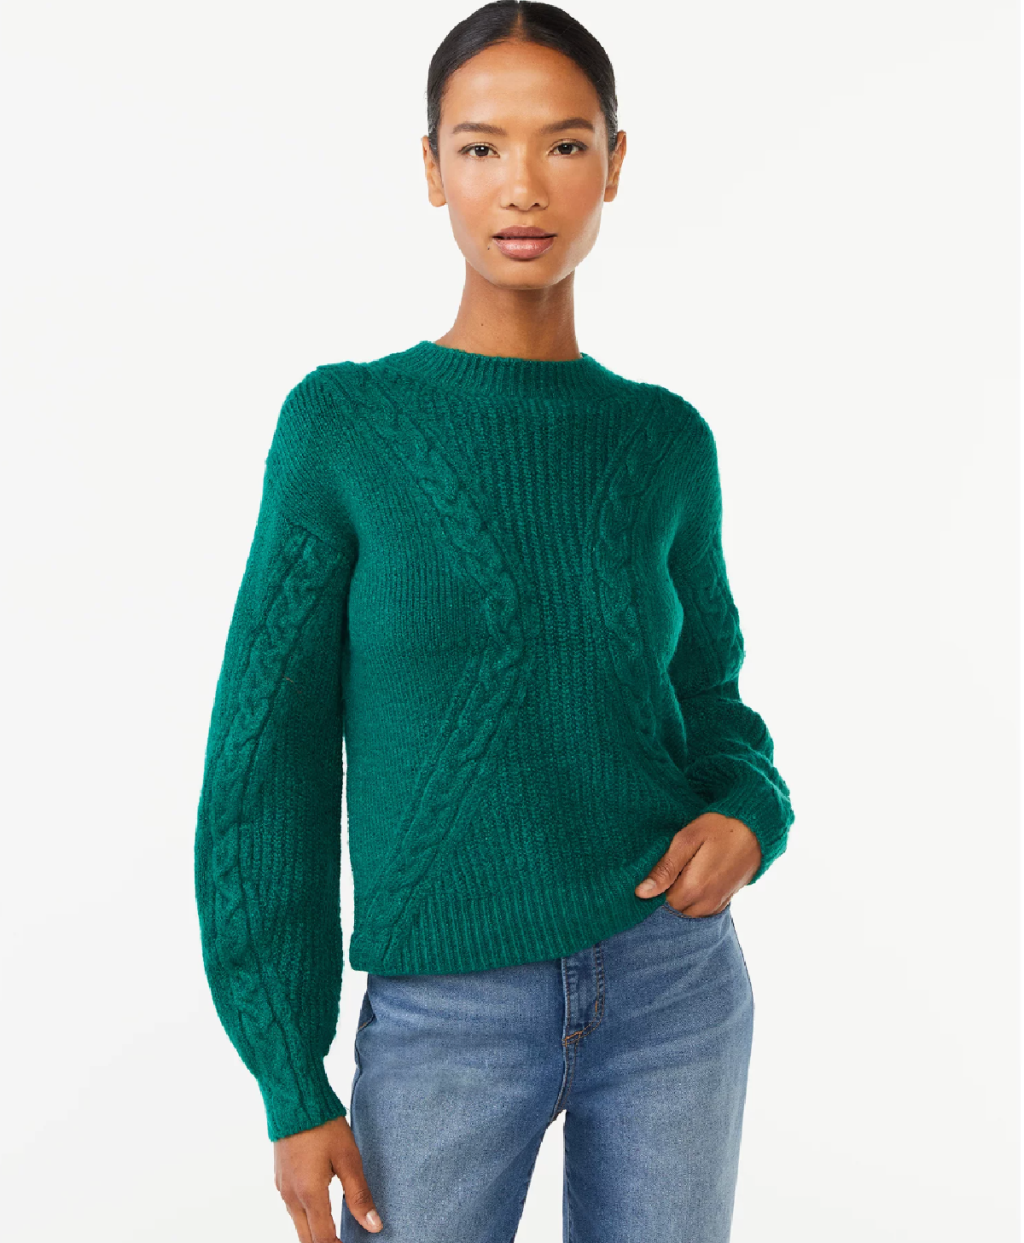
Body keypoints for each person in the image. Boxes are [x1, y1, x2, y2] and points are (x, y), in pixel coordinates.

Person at [193, 3, 795, 1240]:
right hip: (446, 1010)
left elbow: (708, 698)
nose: (523, 186)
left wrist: (751, 806)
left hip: (673, 982)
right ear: (432, 169)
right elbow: (266, 765)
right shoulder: (344, 427)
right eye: (479, 147)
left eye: (564, 144)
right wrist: (288, 1076)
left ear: (614, 163)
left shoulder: (664, 440)